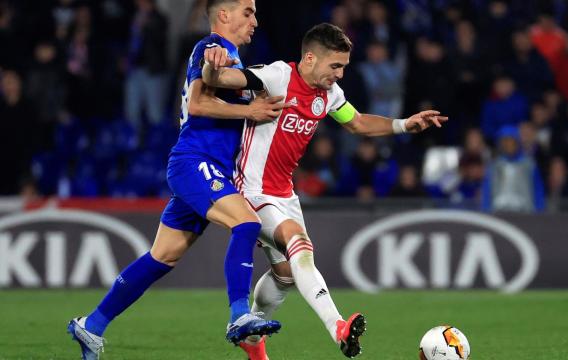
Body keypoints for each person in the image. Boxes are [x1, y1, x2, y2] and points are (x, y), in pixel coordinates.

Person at [202, 23, 448, 359]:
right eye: (335, 66)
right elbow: (221, 80)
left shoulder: (329, 95)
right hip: (252, 191)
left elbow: (357, 122)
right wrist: (211, 62)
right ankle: (338, 328)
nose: (340, 74)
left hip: (285, 195)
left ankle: (252, 337)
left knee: (286, 274)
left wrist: (404, 124)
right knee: (299, 245)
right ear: (309, 58)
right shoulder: (277, 77)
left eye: (344, 66)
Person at [66, 1, 288, 358]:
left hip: (205, 168)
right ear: (224, 15)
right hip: (196, 163)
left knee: (162, 257)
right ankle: (239, 316)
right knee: (246, 223)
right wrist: (250, 109)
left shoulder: (232, 57)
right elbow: (199, 103)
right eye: (248, 11)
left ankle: (91, 326)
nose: (255, 21)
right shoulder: (211, 48)